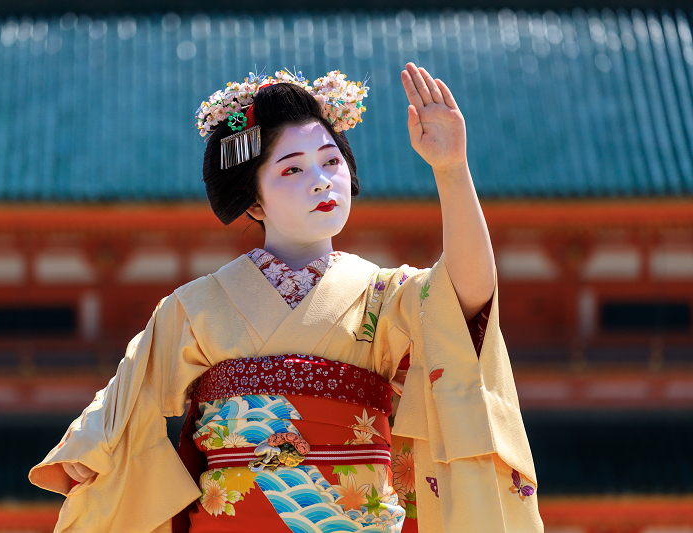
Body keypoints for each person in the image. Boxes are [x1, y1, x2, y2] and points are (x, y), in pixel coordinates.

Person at [29, 63, 543, 533]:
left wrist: (451, 170)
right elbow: (130, 392)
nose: (322, 181)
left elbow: (468, 296)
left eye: (330, 161)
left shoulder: (385, 295)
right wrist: (90, 450)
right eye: (293, 169)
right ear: (254, 199)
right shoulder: (196, 306)